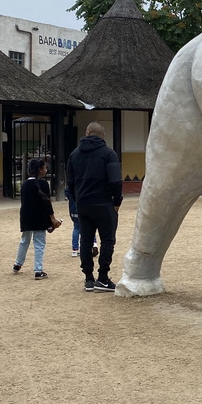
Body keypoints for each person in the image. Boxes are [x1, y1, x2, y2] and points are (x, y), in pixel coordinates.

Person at [67, 122, 122, 292]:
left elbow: (70, 183)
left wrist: (77, 199)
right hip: (104, 203)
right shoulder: (109, 154)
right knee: (107, 240)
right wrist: (116, 201)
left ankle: (88, 278)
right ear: (102, 135)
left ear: (87, 132)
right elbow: (115, 181)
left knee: (85, 240)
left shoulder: (74, 155)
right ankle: (103, 277)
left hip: (83, 203)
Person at [13, 158, 62, 280]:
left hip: (26, 217)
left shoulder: (24, 184)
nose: (46, 170)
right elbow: (46, 203)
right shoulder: (43, 184)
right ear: (40, 170)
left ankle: (17, 264)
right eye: (45, 168)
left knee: (24, 241)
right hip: (39, 218)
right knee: (39, 243)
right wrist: (52, 219)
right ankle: (38, 270)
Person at [64, 183, 97, 258]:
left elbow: (67, 193)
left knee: (76, 228)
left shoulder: (71, 184)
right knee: (90, 225)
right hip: (85, 207)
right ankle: (94, 243)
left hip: (73, 208)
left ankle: (75, 250)